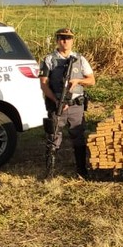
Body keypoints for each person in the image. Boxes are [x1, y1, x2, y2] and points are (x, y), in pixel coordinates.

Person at [39, 28, 95, 179]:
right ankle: (49, 173)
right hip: (57, 104)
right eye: (62, 38)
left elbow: (91, 80)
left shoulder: (80, 59)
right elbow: (44, 84)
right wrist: (56, 100)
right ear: (57, 40)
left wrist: (79, 81)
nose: (65, 41)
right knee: (53, 137)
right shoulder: (49, 59)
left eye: (68, 38)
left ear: (72, 40)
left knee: (78, 137)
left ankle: (82, 171)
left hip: (76, 104)